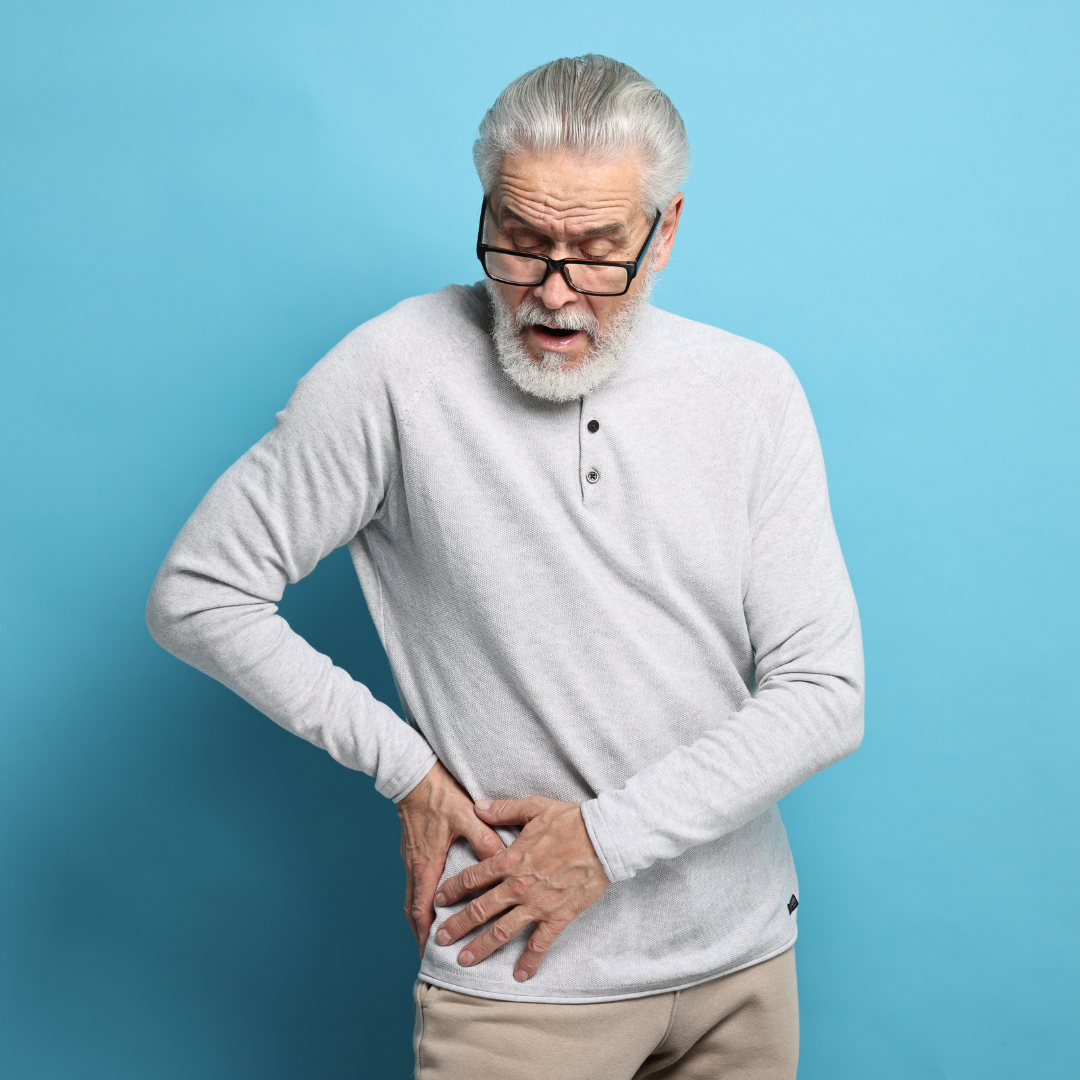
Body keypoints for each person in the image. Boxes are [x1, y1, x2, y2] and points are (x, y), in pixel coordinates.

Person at [147, 54, 863, 1080]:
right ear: (486, 208)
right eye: (521, 245)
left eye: (596, 251)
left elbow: (825, 694)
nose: (553, 294)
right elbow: (200, 593)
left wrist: (605, 843)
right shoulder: (393, 372)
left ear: (664, 233)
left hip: (744, 969)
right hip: (525, 982)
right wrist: (406, 770)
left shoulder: (752, 390)